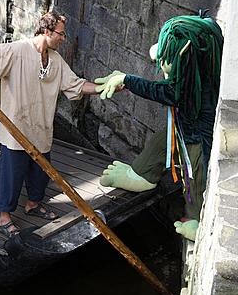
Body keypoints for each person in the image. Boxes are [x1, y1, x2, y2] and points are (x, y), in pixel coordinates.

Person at [95, 13, 223, 241]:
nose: (161, 62)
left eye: (168, 57)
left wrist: (128, 80)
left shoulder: (190, 85)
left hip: (196, 137)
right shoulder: (204, 62)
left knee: (194, 174)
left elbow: (169, 93)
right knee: (160, 142)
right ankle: (141, 175)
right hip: (181, 127)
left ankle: (197, 221)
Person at [0, 11, 100, 238]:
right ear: (47, 31)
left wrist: (104, 87)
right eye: (61, 34)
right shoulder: (17, 50)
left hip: (41, 129)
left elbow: (76, 85)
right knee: (11, 175)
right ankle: (4, 218)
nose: (64, 38)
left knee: (39, 174)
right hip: (16, 130)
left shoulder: (56, 61)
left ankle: (33, 204)